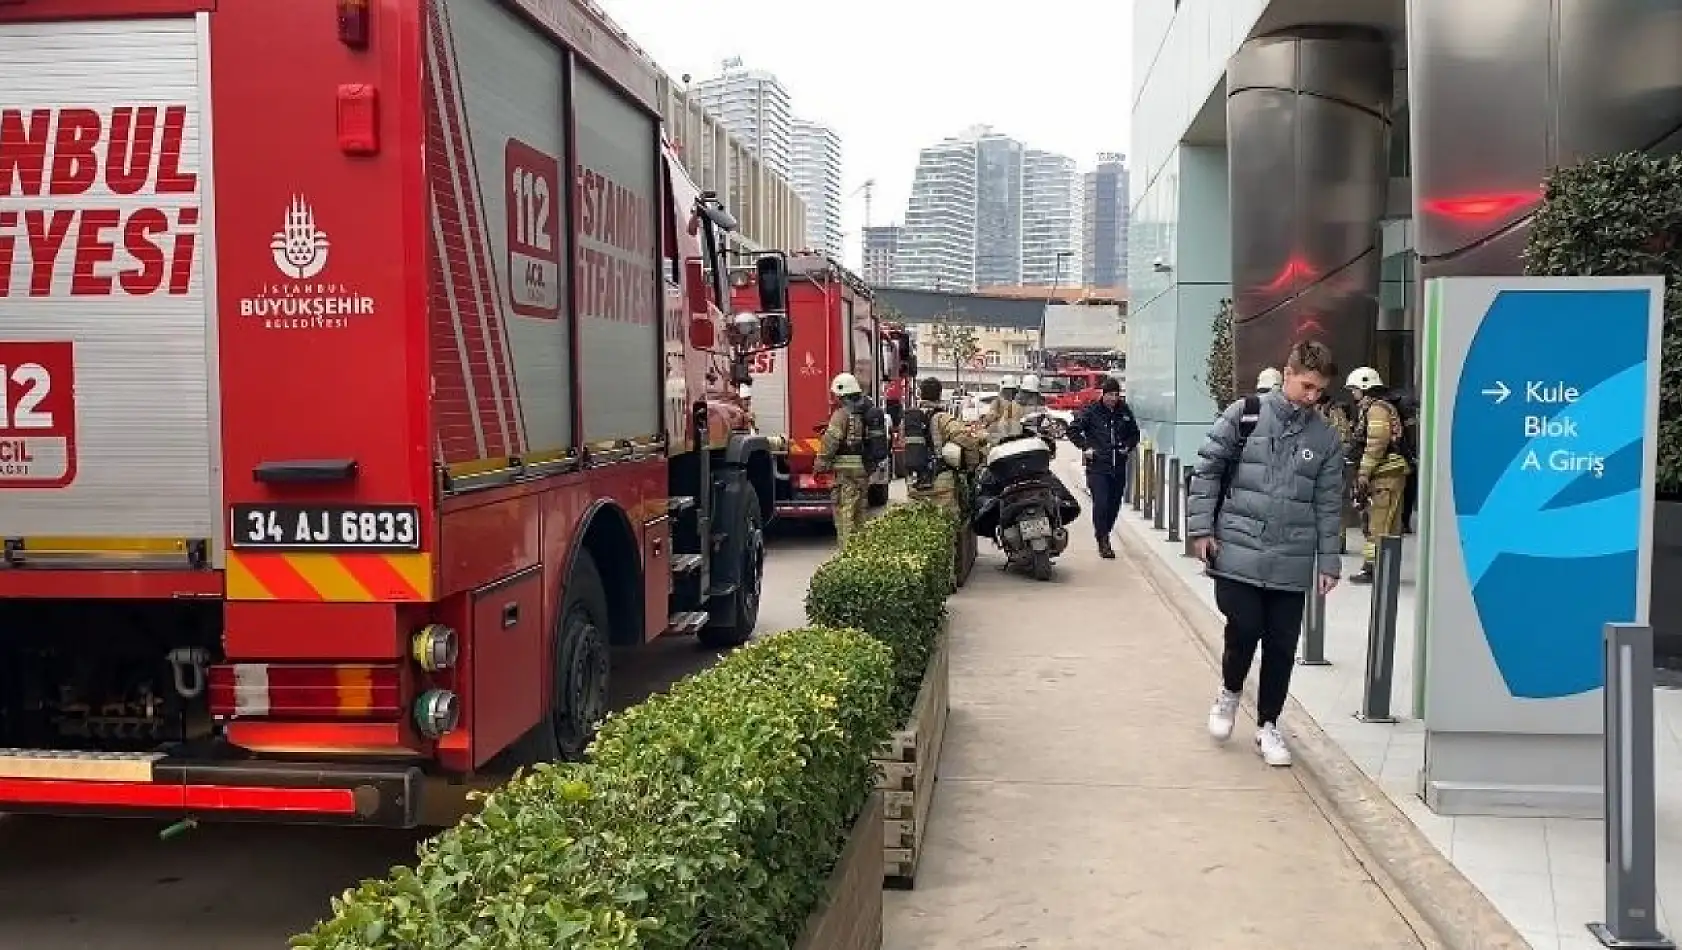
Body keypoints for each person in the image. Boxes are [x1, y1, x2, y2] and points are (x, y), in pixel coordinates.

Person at [1187, 340, 1344, 767]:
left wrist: (1330, 560)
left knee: (1281, 644)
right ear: (1287, 373)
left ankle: (1268, 725)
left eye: (1319, 390)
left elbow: (1330, 503)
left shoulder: (1326, 437)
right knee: (1245, 627)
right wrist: (1201, 530)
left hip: (1292, 557)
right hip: (1237, 545)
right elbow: (1207, 471)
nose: (1312, 397)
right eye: (1306, 386)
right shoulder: (1245, 415)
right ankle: (1230, 692)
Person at [1344, 367, 1411, 584]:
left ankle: (1374, 570)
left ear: (1365, 388)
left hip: (1386, 476)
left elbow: (1376, 443)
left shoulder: (1377, 410)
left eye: (1354, 390)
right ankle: (1381, 569)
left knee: (1380, 526)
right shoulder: (1378, 408)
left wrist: (1364, 472)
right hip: (1387, 475)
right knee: (1384, 525)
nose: (1353, 395)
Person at [1067, 376, 1140, 559]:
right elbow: (1073, 430)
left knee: (1114, 504)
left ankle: (1105, 530)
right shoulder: (1092, 411)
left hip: (1119, 466)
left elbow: (1134, 434)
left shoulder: (1124, 411)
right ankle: (1103, 539)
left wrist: (1127, 446)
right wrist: (1086, 447)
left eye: (1116, 395)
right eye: (1110, 395)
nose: (1113, 399)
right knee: (1101, 502)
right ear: (1103, 394)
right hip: (1098, 467)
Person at [903, 376, 983, 519]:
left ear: (920, 394)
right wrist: (971, 467)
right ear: (939, 395)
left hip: (914, 483)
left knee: (920, 526)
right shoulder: (942, 418)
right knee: (947, 525)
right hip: (941, 482)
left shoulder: (909, 420)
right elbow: (967, 440)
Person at [815, 372, 872, 546]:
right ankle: (860, 554)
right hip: (862, 471)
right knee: (860, 514)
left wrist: (820, 465)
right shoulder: (866, 413)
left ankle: (847, 555)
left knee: (845, 516)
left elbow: (830, 442)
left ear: (842, 394)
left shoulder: (841, 415)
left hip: (845, 475)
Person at [982, 374, 1025, 439]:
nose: (1010, 393)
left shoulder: (998, 401)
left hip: (1006, 434)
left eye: (1011, 391)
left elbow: (990, 417)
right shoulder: (998, 401)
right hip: (1013, 434)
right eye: (1008, 390)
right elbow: (991, 416)